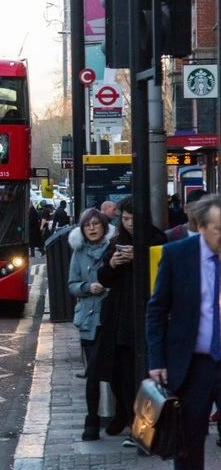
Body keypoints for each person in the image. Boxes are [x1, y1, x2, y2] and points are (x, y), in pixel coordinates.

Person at [147, 193, 221, 470]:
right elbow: (156, 311)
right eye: (219, 229)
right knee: (189, 445)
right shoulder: (177, 256)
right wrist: (157, 360)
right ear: (201, 227)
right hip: (193, 365)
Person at [92, 198, 166, 440]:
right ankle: (123, 412)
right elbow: (103, 278)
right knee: (116, 369)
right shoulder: (116, 243)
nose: (130, 224)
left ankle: (144, 424)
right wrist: (112, 264)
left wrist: (140, 260)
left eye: (134, 219)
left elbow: (161, 277)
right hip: (119, 314)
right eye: (125, 219)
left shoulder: (157, 240)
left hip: (146, 313)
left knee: (142, 371)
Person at [67, 207, 114, 441]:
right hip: (88, 319)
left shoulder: (113, 250)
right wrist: (87, 288)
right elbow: (72, 284)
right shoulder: (78, 252)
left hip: (111, 318)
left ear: (104, 227)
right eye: (88, 225)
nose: (92, 228)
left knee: (117, 373)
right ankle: (91, 421)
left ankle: (122, 415)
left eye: (96, 224)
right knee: (93, 374)